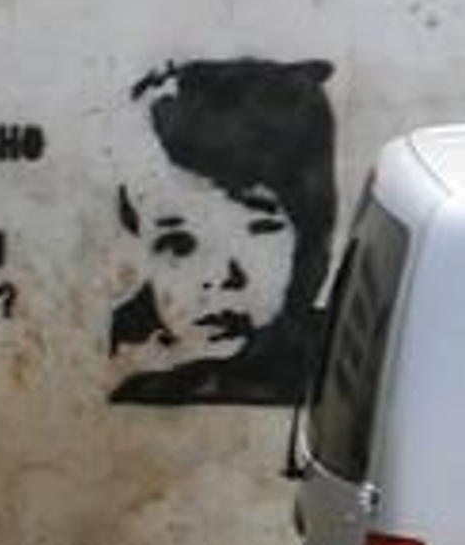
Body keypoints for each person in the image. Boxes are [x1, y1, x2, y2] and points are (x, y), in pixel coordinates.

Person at [109, 57, 336, 405]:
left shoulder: (347, 376)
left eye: (259, 231)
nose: (220, 277)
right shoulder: (136, 378)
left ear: (308, 240)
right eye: (179, 245)